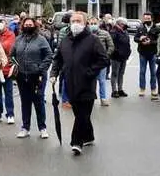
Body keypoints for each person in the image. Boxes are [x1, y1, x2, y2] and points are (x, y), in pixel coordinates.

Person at [50, 11, 109, 155]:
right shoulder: (65, 41)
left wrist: (90, 72)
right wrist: (54, 74)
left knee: (82, 114)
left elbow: (104, 59)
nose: (75, 24)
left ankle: (76, 142)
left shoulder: (93, 40)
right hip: (70, 84)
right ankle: (89, 136)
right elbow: (58, 59)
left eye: (78, 21)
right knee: (80, 114)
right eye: (73, 21)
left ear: (85, 23)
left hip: (87, 85)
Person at [10, 17, 53, 139]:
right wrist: (14, 65)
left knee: (38, 101)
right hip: (22, 76)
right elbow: (11, 55)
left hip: (37, 76)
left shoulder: (41, 39)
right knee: (25, 102)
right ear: (22, 26)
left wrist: (41, 68)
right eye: (26, 24)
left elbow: (49, 55)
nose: (28, 26)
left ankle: (42, 127)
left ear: (35, 25)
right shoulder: (18, 39)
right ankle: (25, 127)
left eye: (30, 24)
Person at [0, 16, 17, 124]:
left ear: (5, 23)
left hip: (7, 69)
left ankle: (10, 114)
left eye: (1, 22)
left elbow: (9, 47)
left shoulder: (10, 34)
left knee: (8, 93)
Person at [134, 12, 160, 99]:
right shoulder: (140, 28)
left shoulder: (156, 28)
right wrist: (140, 39)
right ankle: (142, 89)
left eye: (148, 19)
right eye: (145, 19)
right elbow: (135, 38)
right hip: (142, 53)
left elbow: (159, 41)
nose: (146, 20)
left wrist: (151, 42)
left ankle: (153, 89)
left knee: (153, 72)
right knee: (142, 72)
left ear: (152, 19)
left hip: (153, 53)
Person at [88, 17, 114, 105]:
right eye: (91, 24)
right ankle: (90, 97)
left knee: (102, 81)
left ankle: (103, 99)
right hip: (89, 62)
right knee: (90, 80)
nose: (93, 25)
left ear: (99, 24)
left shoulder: (105, 33)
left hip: (101, 62)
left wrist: (106, 56)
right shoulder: (86, 34)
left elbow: (111, 46)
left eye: (95, 23)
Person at [109, 17, 131, 98]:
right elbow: (111, 45)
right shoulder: (113, 32)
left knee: (121, 73)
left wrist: (129, 52)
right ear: (120, 24)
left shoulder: (125, 32)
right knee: (115, 73)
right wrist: (117, 52)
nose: (125, 26)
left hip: (124, 56)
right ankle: (114, 91)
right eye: (124, 24)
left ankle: (120, 89)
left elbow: (127, 43)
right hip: (116, 56)